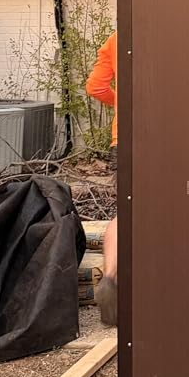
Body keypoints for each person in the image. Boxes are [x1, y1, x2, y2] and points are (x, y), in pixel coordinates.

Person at [85, 31, 118, 327]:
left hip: (122, 139)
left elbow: (95, 87)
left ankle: (110, 277)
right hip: (159, 134)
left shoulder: (116, 39)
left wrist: (121, 102)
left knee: (124, 215)